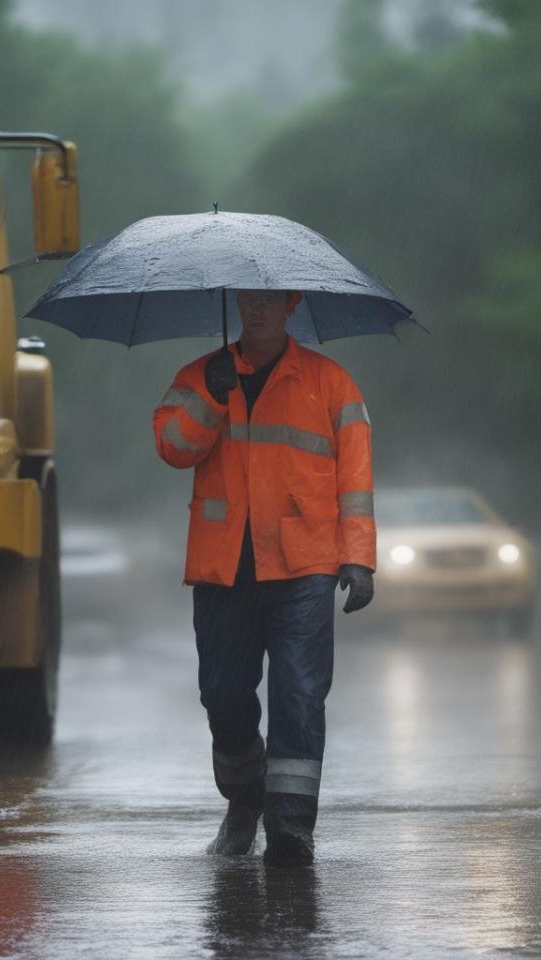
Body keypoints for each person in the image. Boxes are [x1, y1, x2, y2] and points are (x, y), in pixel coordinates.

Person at [152, 289, 375, 868]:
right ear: (236, 306)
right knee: (223, 692)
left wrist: (359, 557)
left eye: (269, 302)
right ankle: (246, 798)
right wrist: (211, 394)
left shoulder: (330, 383)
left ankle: (291, 830)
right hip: (225, 566)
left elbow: (354, 477)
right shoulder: (202, 375)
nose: (257, 310)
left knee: (300, 695)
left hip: (304, 565)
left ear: (291, 307)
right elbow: (172, 447)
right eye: (247, 301)